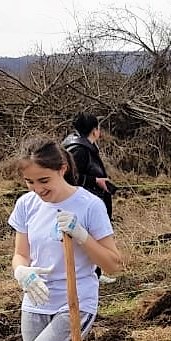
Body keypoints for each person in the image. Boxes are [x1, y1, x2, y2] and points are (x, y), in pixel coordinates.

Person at [9, 138, 123, 341]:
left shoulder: (89, 205)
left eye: (44, 180)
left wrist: (82, 235)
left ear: (62, 169)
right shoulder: (26, 205)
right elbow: (20, 254)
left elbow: (114, 264)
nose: (37, 189)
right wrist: (21, 272)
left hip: (74, 305)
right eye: (30, 182)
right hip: (35, 303)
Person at [63, 112, 117, 283]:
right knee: (90, 237)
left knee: (94, 236)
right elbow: (68, 177)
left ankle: (96, 273)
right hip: (84, 203)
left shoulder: (82, 145)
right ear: (95, 131)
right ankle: (91, 274)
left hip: (91, 198)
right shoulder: (79, 149)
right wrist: (95, 180)